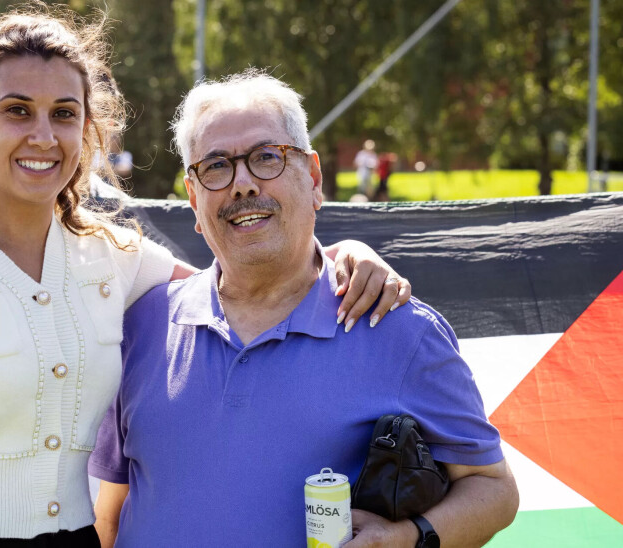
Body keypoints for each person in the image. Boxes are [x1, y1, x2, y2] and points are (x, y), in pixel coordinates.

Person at [0, 9, 409, 547]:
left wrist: (343, 254)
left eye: (64, 114)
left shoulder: (111, 259)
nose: (43, 135)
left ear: (88, 132)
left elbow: (240, 277)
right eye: (17, 110)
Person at [89, 71, 519, 548]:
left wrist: (406, 538)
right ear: (193, 198)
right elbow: (111, 515)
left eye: (266, 157)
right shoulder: (142, 325)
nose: (243, 184)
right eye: (215, 167)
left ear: (313, 178)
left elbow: (494, 489)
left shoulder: (398, 326)